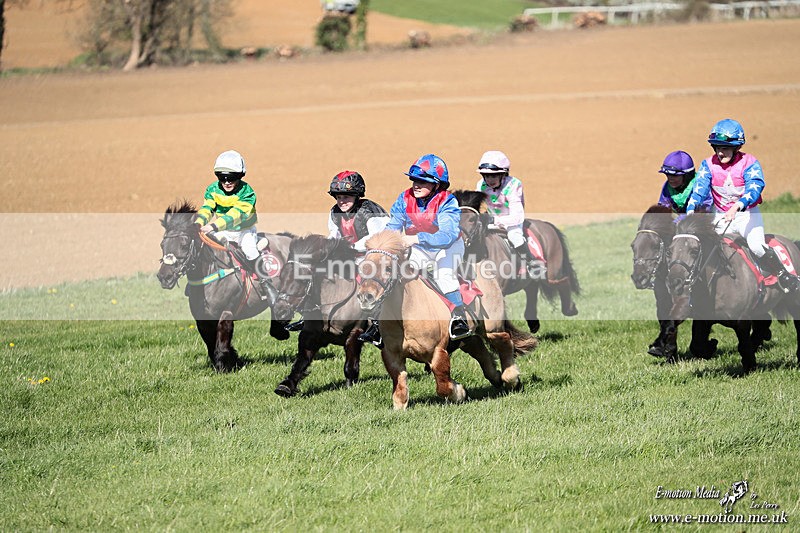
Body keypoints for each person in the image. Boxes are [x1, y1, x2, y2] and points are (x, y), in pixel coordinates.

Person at [686, 118, 799, 292]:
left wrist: (737, 206)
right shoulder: (707, 165)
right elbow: (699, 189)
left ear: (736, 147)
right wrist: (691, 210)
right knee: (705, 248)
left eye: (724, 148)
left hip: (747, 216)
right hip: (721, 216)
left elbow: (754, 189)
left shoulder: (750, 163)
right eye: (717, 148)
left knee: (756, 247)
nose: (720, 153)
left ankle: (784, 275)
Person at [284, 170, 390, 339]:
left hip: (372, 256)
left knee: (370, 279)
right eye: (338, 197)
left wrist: (350, 246)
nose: (342, 201)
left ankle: (376, 325)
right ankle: (308, 316)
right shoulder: (334, 212)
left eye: (346, 197)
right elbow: (334, 237)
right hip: (350, 255)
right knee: (318, 274)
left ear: (357, 195)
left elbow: (377, 237)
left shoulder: (370, 210)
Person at [384, 153, 471, 340]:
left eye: (422, 181)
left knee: (443, 274)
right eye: (414, 180)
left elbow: (447, 236)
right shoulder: (404, 199)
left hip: (449, 246)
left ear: (436, 184)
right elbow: (392, 228)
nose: (416, 185)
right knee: (401, 272)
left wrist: (415, 239)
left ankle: (459, 319)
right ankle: (380, 320)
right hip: (422, 247)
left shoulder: (447, 201)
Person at [195, 149, 274, 300]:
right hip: (223, 231)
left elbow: (235, 214)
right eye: (222, 178)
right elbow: (207, 208)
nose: (226, 182)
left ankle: (266, 284)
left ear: (240, 176)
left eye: (231, 178)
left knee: (250, 251)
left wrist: (213, 226)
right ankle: (197, 283)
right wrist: (199, 222)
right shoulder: (212, 190)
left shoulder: (247, 192)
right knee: (204, 249)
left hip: (244, 231)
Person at [475, 150, 539, 276]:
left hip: (511, 222)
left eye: (494, 175)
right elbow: (477, 205)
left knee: (514, 237)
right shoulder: (480, 185)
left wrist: (494, 221)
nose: (489, 179)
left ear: (503, 174)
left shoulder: (514, 185)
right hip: (491, 221)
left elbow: (517, 217)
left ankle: (532, 264)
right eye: (486, 176)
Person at [656, 150, 711, 217]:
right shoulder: (667, 187)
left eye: (674, 175)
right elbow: (662, 210)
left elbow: (704, 213)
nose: (670, 178)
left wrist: (679, 220)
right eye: (667, 174)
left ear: (687, 176)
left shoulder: (701, 187)